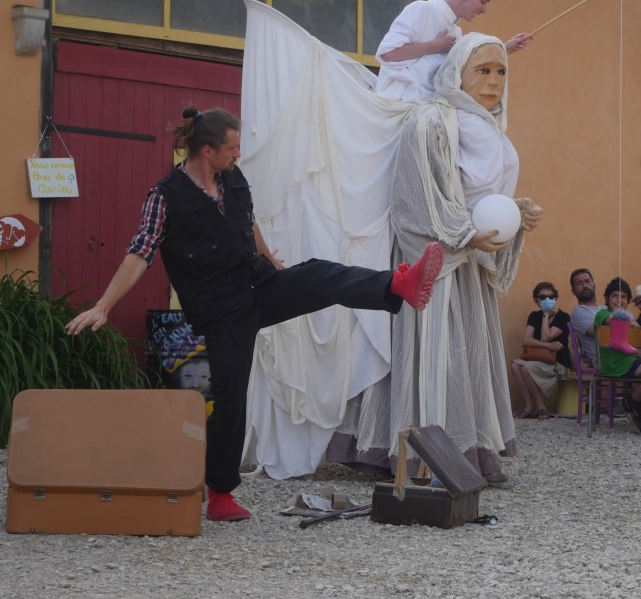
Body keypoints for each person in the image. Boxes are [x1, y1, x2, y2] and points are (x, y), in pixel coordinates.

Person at [64, 106, 444, 522]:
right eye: (232, 147)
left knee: (317, 273)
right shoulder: (165, 196)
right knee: (231, 397)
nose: (238, 154)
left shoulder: (231, 178)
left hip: (257, 285)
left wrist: (274, 264)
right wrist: (104, 305)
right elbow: (140, 253)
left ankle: (399, 284)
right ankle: (221, 494)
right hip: (222, 312)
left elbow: (247, 221)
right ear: (207, 150)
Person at [335, 33, 542, 484]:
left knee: (463, 358)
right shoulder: (430, 122)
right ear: (457, 73)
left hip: (469, 266)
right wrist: (465, 232)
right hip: (432, 263)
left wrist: (515, 216)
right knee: (431, 356)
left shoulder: (493, 131)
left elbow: (485, 198)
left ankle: (469, 451)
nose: (493, 81)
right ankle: (418, 456)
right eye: (482, 70)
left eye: (501, 71)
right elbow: (413, 199)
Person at [373, 0, 531, 103]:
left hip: (431, 107)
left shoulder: (456, 32)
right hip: (402, 105)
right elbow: (387, 54)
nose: (484, 10)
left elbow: (466, 69)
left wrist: (504, 48)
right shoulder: (422, 9)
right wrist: (434, 46)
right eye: (483, 1)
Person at [595, 278, 641, 432]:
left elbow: (632, 347)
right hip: (614, 364)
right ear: (606, 299)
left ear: (628, 301)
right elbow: (611, 319)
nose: (619, 300)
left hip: (628, 360)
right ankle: (630, 403)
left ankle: (640, 412)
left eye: (624, 297)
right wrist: (633, 323)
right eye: (614, 296)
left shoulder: (629, 319)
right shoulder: (602, 313)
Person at [511, 282, 571, 420]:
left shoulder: (564, 316)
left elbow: (546, 337)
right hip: (537, 360)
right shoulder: (533, 315)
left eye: (551, 296)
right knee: (515, 365)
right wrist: (548, 346)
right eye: (543, 297)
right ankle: (528, 405)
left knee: (524, 368)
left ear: (556, 298)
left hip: (557, 362)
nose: (547, 300)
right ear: (535, 300)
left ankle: (540, 405)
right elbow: (526, 340)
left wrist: (546, 316)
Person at [569, 268, 601, 368]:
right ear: (573, 291)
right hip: (607, 361)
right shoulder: (579, 312)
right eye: (579, 284)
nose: (585, 286)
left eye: (587, 281)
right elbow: (601, 333)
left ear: (594, 285)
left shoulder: (605, 308)